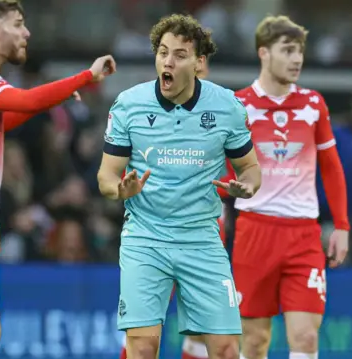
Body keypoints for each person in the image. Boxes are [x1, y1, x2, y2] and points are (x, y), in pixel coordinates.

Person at [0, 1, 116, 358]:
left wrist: (48, 101)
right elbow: (24, 100)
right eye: (18, 24)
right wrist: (84, 77)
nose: (26, 33)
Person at [98, 13, 261, 359]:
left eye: (179, 55)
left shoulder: (227, 107)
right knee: (142, 346)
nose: (167, 61)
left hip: (201, 239)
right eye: (162, 52)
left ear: (199, 63)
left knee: (228, 349)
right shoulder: (129, 105)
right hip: (145, 238)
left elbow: (250, 168)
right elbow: (106, 176)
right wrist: (119, 190)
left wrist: (246, 186)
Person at [228, 15, 349, 359]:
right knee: (253, 342)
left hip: (303, 236)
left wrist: (341, 225)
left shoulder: (313, 104)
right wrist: (230, 188)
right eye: (288, 50)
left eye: (300, 51)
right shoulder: (239, 106)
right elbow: (222, 171)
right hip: (254, 230)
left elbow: (331, 167)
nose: (297, 59)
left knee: (306, 338)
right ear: (263, 53)